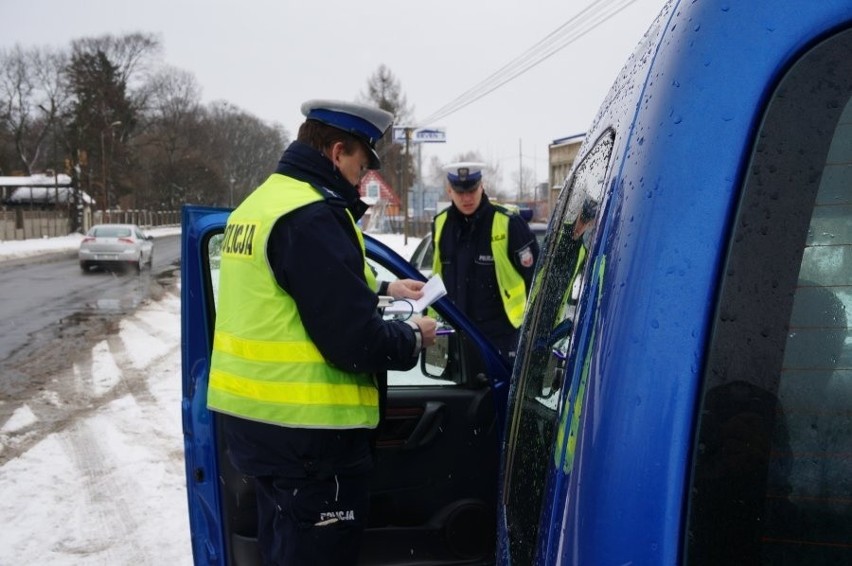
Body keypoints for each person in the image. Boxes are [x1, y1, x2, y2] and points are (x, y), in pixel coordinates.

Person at [206, 99, 437, 565]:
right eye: (361, 164)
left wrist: (384, 285)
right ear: (336, 153)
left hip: (264, 433)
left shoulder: (263, 204)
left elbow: (298, 283)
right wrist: (413, 334)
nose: (363, 177)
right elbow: (355, 341)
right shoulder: (312, 213)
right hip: (312, 446)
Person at [431, 161, 539, 363]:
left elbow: (536, 278)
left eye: (472, 190)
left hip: (503, 339)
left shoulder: (508, 223)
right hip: (458, 337)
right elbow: (437, 279)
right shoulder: (440, 223)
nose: (466, 198)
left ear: (482, 186)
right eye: (459, 192)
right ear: (449, 191)